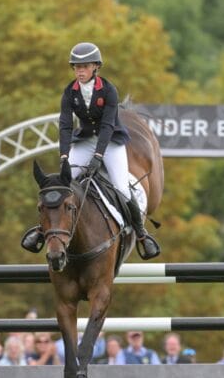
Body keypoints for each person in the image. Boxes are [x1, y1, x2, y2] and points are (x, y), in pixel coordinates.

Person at [58, 42, 160, 259]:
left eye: (84, 66)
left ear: (96, 67)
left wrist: (98, 156)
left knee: (122, 187)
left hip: (111, 142)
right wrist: (64, 155)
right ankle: (45, 232)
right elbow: (65, 124)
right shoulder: (70, 92)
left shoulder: (108, 90)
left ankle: (141, 234)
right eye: (76, 67)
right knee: (61, 184)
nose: (80, 71)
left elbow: (107, 126)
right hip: (85, 141)